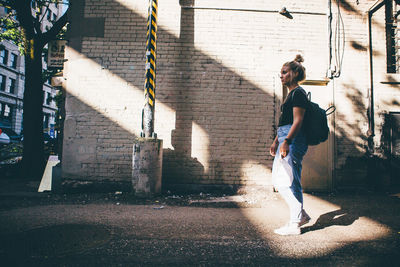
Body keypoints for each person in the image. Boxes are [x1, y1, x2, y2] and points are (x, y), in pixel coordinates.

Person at [270, 54, 311, 235]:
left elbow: (298, 121)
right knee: (291, 182)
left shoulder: (298, 94)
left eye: (284, 72)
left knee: (283, 181)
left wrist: (286, 141)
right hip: (286, 139)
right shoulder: (291, 95)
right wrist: (276, 141)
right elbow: (285, 123)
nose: (281, 75)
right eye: (281, 72)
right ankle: (298, 218)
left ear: (294, 74)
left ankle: (296, 220)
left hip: (292, 140)